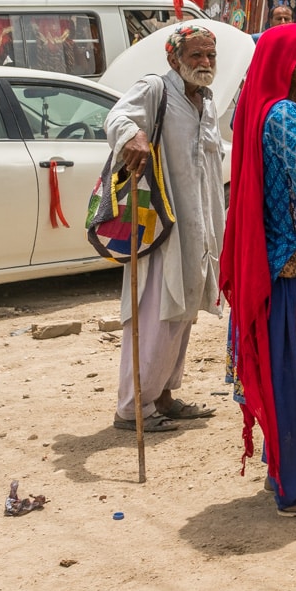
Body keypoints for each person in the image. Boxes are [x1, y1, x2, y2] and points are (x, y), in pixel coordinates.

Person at [220, 25, 296, 518]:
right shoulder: (285, 114)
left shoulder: (260, 110)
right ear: (285, 66)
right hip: (292, 265)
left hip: (270, 263)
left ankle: (280, 471)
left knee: (282, 369)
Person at [105, 24, 226, 433]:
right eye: (196, 56)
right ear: (174, 58)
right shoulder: (156, 89)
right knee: (157, 315)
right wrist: (132, 135)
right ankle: (132, 407)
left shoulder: (206, 101)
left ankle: (164, 395)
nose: (205, 63)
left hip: (200, 228)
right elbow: (117, 116)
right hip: (161, 227)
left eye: (210, 56)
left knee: (184, 313)